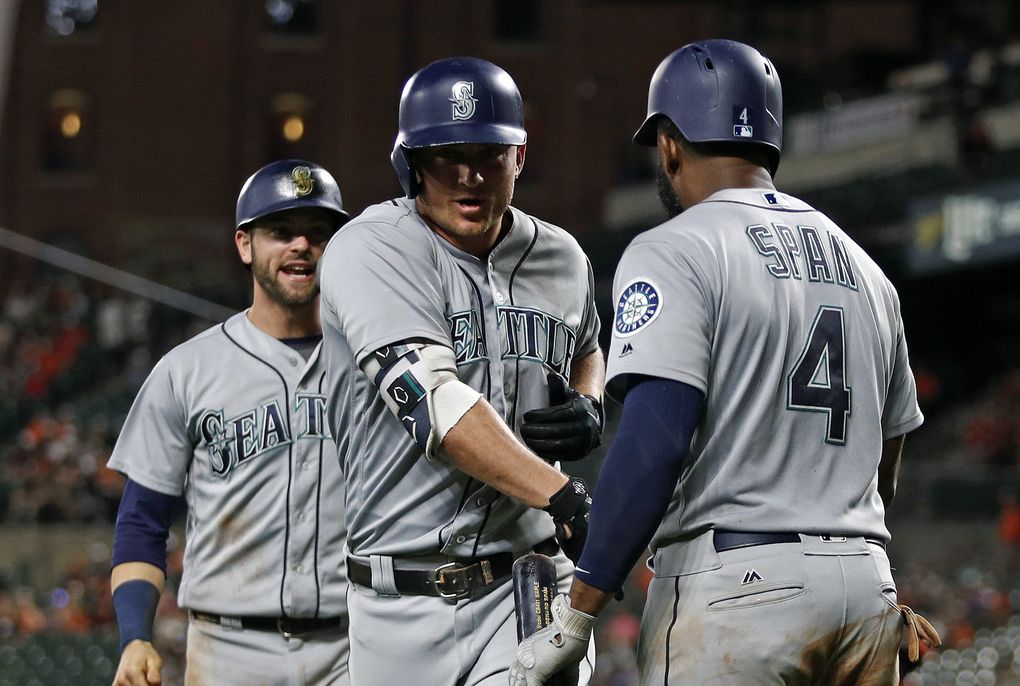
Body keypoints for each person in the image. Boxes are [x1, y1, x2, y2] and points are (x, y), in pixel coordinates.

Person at [510, 39, 941, 686]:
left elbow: (654, 444)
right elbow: (888, 454)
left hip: (739, 591)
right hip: (865, 593)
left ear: (669, 144)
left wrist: (579, 612)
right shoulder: (867, 270)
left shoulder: (675, 248)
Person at [317, 56, 603, 686]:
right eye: (448, 155)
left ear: (519, 156)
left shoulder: (562, 257)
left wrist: (589, 400)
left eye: (489, 154)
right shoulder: (372, 249)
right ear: (412, 163)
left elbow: (587, 345)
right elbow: (435, 406)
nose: (470, 175)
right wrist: (562, 494)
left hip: (527, 586)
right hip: (398, 603)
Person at [107, 160, 352, 686]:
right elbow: (142, 522)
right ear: (246, 245)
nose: (301, 247)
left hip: (354, 644)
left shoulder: (374, 365)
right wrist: (135, 637)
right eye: (280, 232)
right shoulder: (186, 371)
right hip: (228, 649)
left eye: (318, 234)